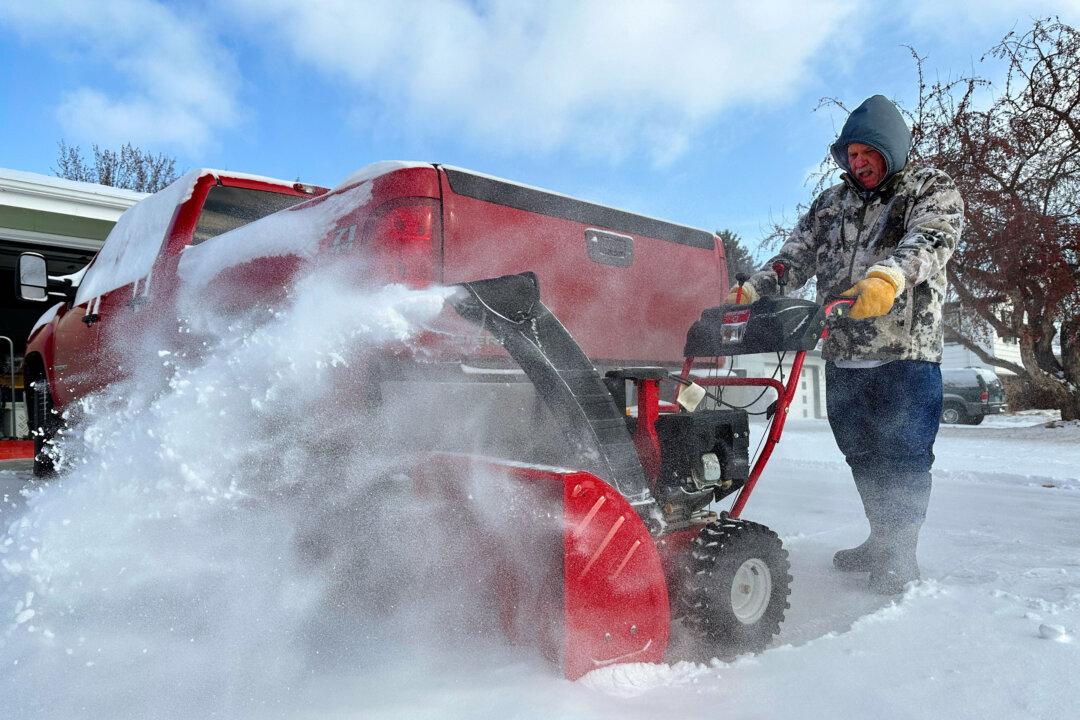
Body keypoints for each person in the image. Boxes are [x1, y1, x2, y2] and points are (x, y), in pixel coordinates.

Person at [727, 95, 964, 594]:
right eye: (851, 155)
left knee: (903, 456)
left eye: (867, 153)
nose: (858, 163)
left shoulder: (928, 188)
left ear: (890, 148)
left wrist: (888, 277)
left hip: (904, 355)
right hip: (842, 354)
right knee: (861, 453)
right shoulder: (832, 204)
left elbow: (932, 238)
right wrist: (754, 288)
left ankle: (900, 551)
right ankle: (882, 537)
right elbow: (794, 256)